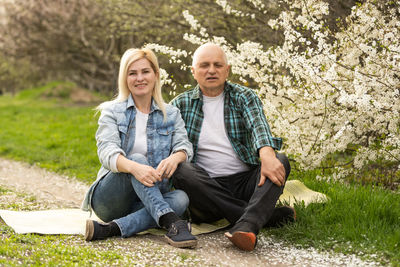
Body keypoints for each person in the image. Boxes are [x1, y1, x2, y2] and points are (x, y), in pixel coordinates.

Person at [171, 43, 294, 251]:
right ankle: (260, 216)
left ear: (227, 70)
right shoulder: (179, 105)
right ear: (194, 71)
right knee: (181, 169)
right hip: (205, 189)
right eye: (204, 65)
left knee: (279, 160)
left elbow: (259, 126)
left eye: (218, 65)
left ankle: (247, 226)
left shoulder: (244, 97)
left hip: (245, 183)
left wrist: (267, 152)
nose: (211, 70)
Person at [81, 48, 197, 248]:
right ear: (124, 78)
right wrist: (135, 167)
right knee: (137, 158)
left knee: (181, 198)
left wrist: (176, 157)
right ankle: (171, 221)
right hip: (110, 199)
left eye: (145, 72)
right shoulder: (112, 111)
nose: (139, 78)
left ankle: (110, 229)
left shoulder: (171, 113)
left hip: (147, 200)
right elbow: (106, 152)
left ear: (156, 75)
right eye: (132, 73)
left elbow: (184, 145)